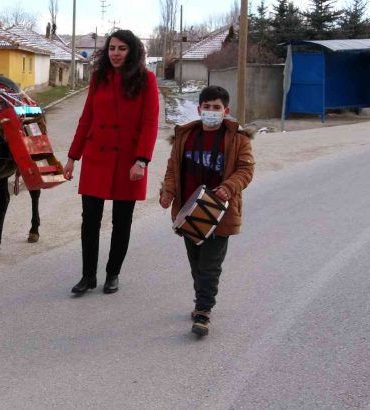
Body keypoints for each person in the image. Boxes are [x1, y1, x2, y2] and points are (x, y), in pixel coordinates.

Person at [63, 30, 159, 295]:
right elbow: (86, 118)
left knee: (122, 221)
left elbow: (150, 123)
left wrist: (141, 160)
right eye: (112, 48)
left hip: (128, 161)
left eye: (122, 48)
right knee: (89, 219)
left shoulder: (146, 79)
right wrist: (73, 157)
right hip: (97, 157)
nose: (115, 53)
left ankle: (112, 274)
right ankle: (88, 276)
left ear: (133, 51)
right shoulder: (99, 78)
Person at [159, 86, 255, 336]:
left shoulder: (238, 139)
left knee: (210, 265)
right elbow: (172, 168)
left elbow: (246, 171)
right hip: (190, 211)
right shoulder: (185, 136)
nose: (211, 112)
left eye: (217, 108)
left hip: (219, 211)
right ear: (199, 108)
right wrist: (167, 192)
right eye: (207, 107)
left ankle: (203, 311)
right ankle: (201, 299)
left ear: (226, 111)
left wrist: (228, 187)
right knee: (196, 263)